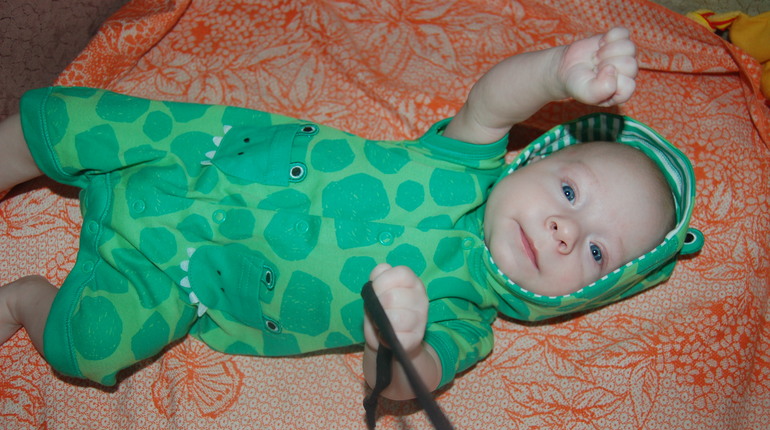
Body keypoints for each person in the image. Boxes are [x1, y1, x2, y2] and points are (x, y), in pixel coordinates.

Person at [0, 27, 701, 399]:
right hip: (200, 154)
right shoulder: (468, 166)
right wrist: (555, 72)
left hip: (188, 273)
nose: (565, 231)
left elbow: (401, 388)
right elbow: (493, 101)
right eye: (570, 194)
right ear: (533, 160)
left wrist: (399, 347)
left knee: (87, 347)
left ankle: (23, 300)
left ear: (582, 298)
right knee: (67, 121)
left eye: (597, 253)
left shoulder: (463, 320)